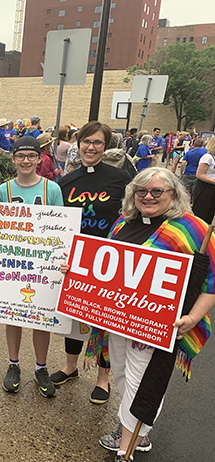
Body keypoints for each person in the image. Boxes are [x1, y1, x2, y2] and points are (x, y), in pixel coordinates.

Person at [73, 168, 215, 461]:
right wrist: (76, 270)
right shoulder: (122, 223)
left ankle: (127, 447)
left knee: (143, 382)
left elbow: (211, 281)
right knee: (124, 376)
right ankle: (139, 432)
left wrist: (192, 319)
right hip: (117, 321)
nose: (148, 197)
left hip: (156, 325)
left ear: (173, 195)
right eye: (141, 191)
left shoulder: (194, 229)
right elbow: (103, 267)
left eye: (157, 191)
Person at [55, 121, 132, 404]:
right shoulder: (66, 182)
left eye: (97, 143)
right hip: (75, 258)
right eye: (86, 142)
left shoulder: (120, 179)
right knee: (74, 316)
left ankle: (102, 378)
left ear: (106, 146)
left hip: (107, 259)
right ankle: (70, 366)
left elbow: (131, 216)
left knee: (104, 321)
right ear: (78, 144)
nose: (90, 147)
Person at [0, 136, 64, 398]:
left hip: (43, 265)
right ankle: (14, 365)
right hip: (15, 262)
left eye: (31, 156)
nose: (25, 160)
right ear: (13, 159)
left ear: (39, 159)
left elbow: (61, 229)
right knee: (13, 314)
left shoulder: (51, 190)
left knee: (41, 317)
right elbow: (0, 229)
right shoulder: (4, 190)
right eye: (20, 156)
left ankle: (41, 367)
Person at [192, 136, 215, 224]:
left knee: (210, 212)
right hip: (204, 187)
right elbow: (200, 174)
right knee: (201, 212)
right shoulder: (207, 157)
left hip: (212, 188)